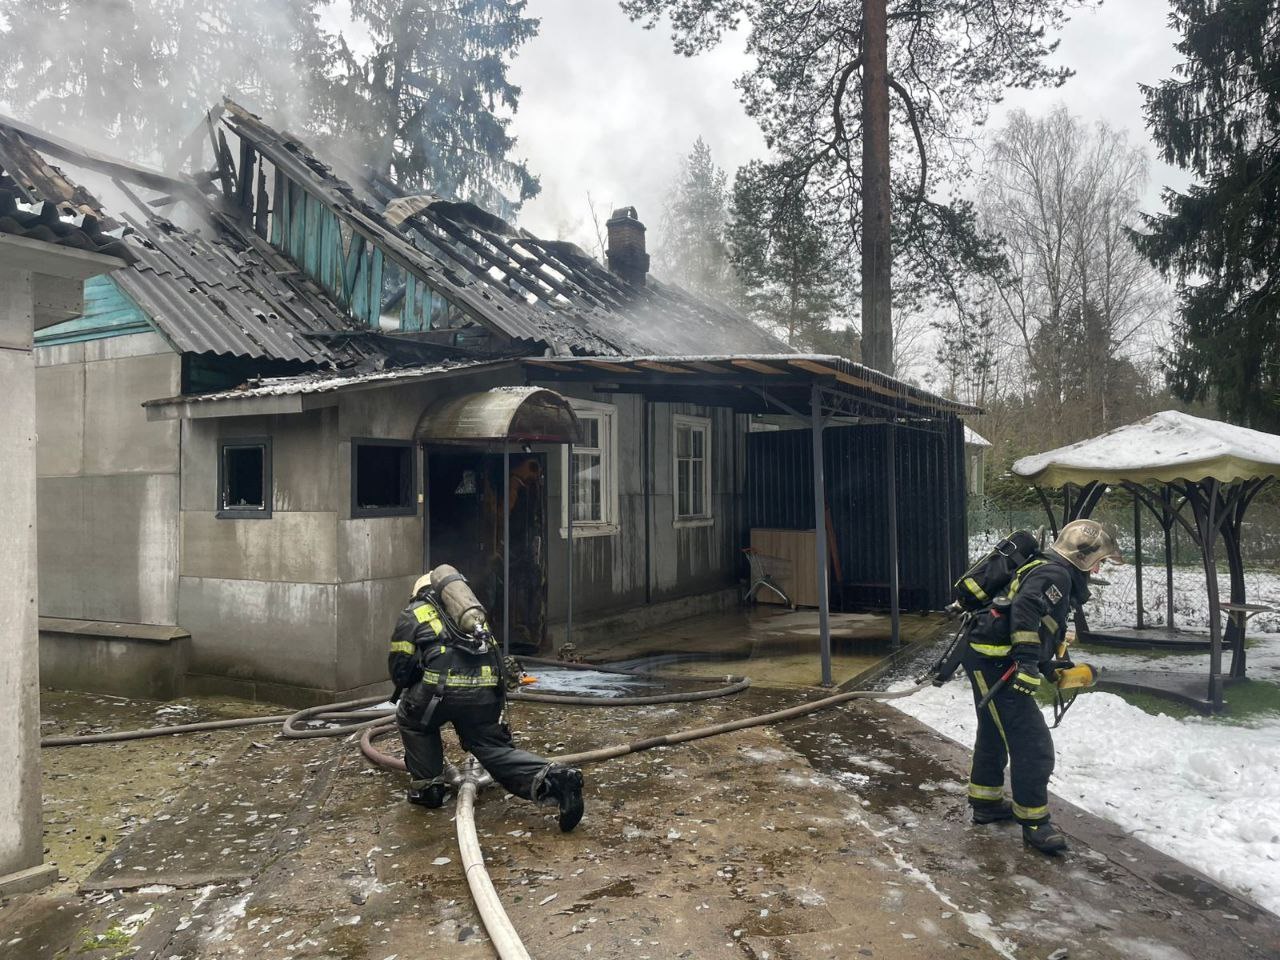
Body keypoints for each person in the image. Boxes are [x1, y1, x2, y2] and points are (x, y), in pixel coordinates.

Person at [962, 519, 1121, 854]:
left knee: (994, 732)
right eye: (1099, 559)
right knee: (1033, 746)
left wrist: (1051, 663)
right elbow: (1025, 611)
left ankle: (986, 802)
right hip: (998, 666)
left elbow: (1041, 624)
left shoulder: (1048, 568)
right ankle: (1035, 824)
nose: (1099, 566)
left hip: (987, 659)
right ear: (1082, 557)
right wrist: (1028, 664)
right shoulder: (1057, 575)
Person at [389, 567, 585, 832]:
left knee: (413, 722)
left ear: (419, 593)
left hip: (438, 693)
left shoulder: (414, 613)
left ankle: (429, 789)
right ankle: (555, 778)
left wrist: (414, 684)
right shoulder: (472, 615)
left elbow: (400, 667)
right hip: (485, 693)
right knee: (490, 747)